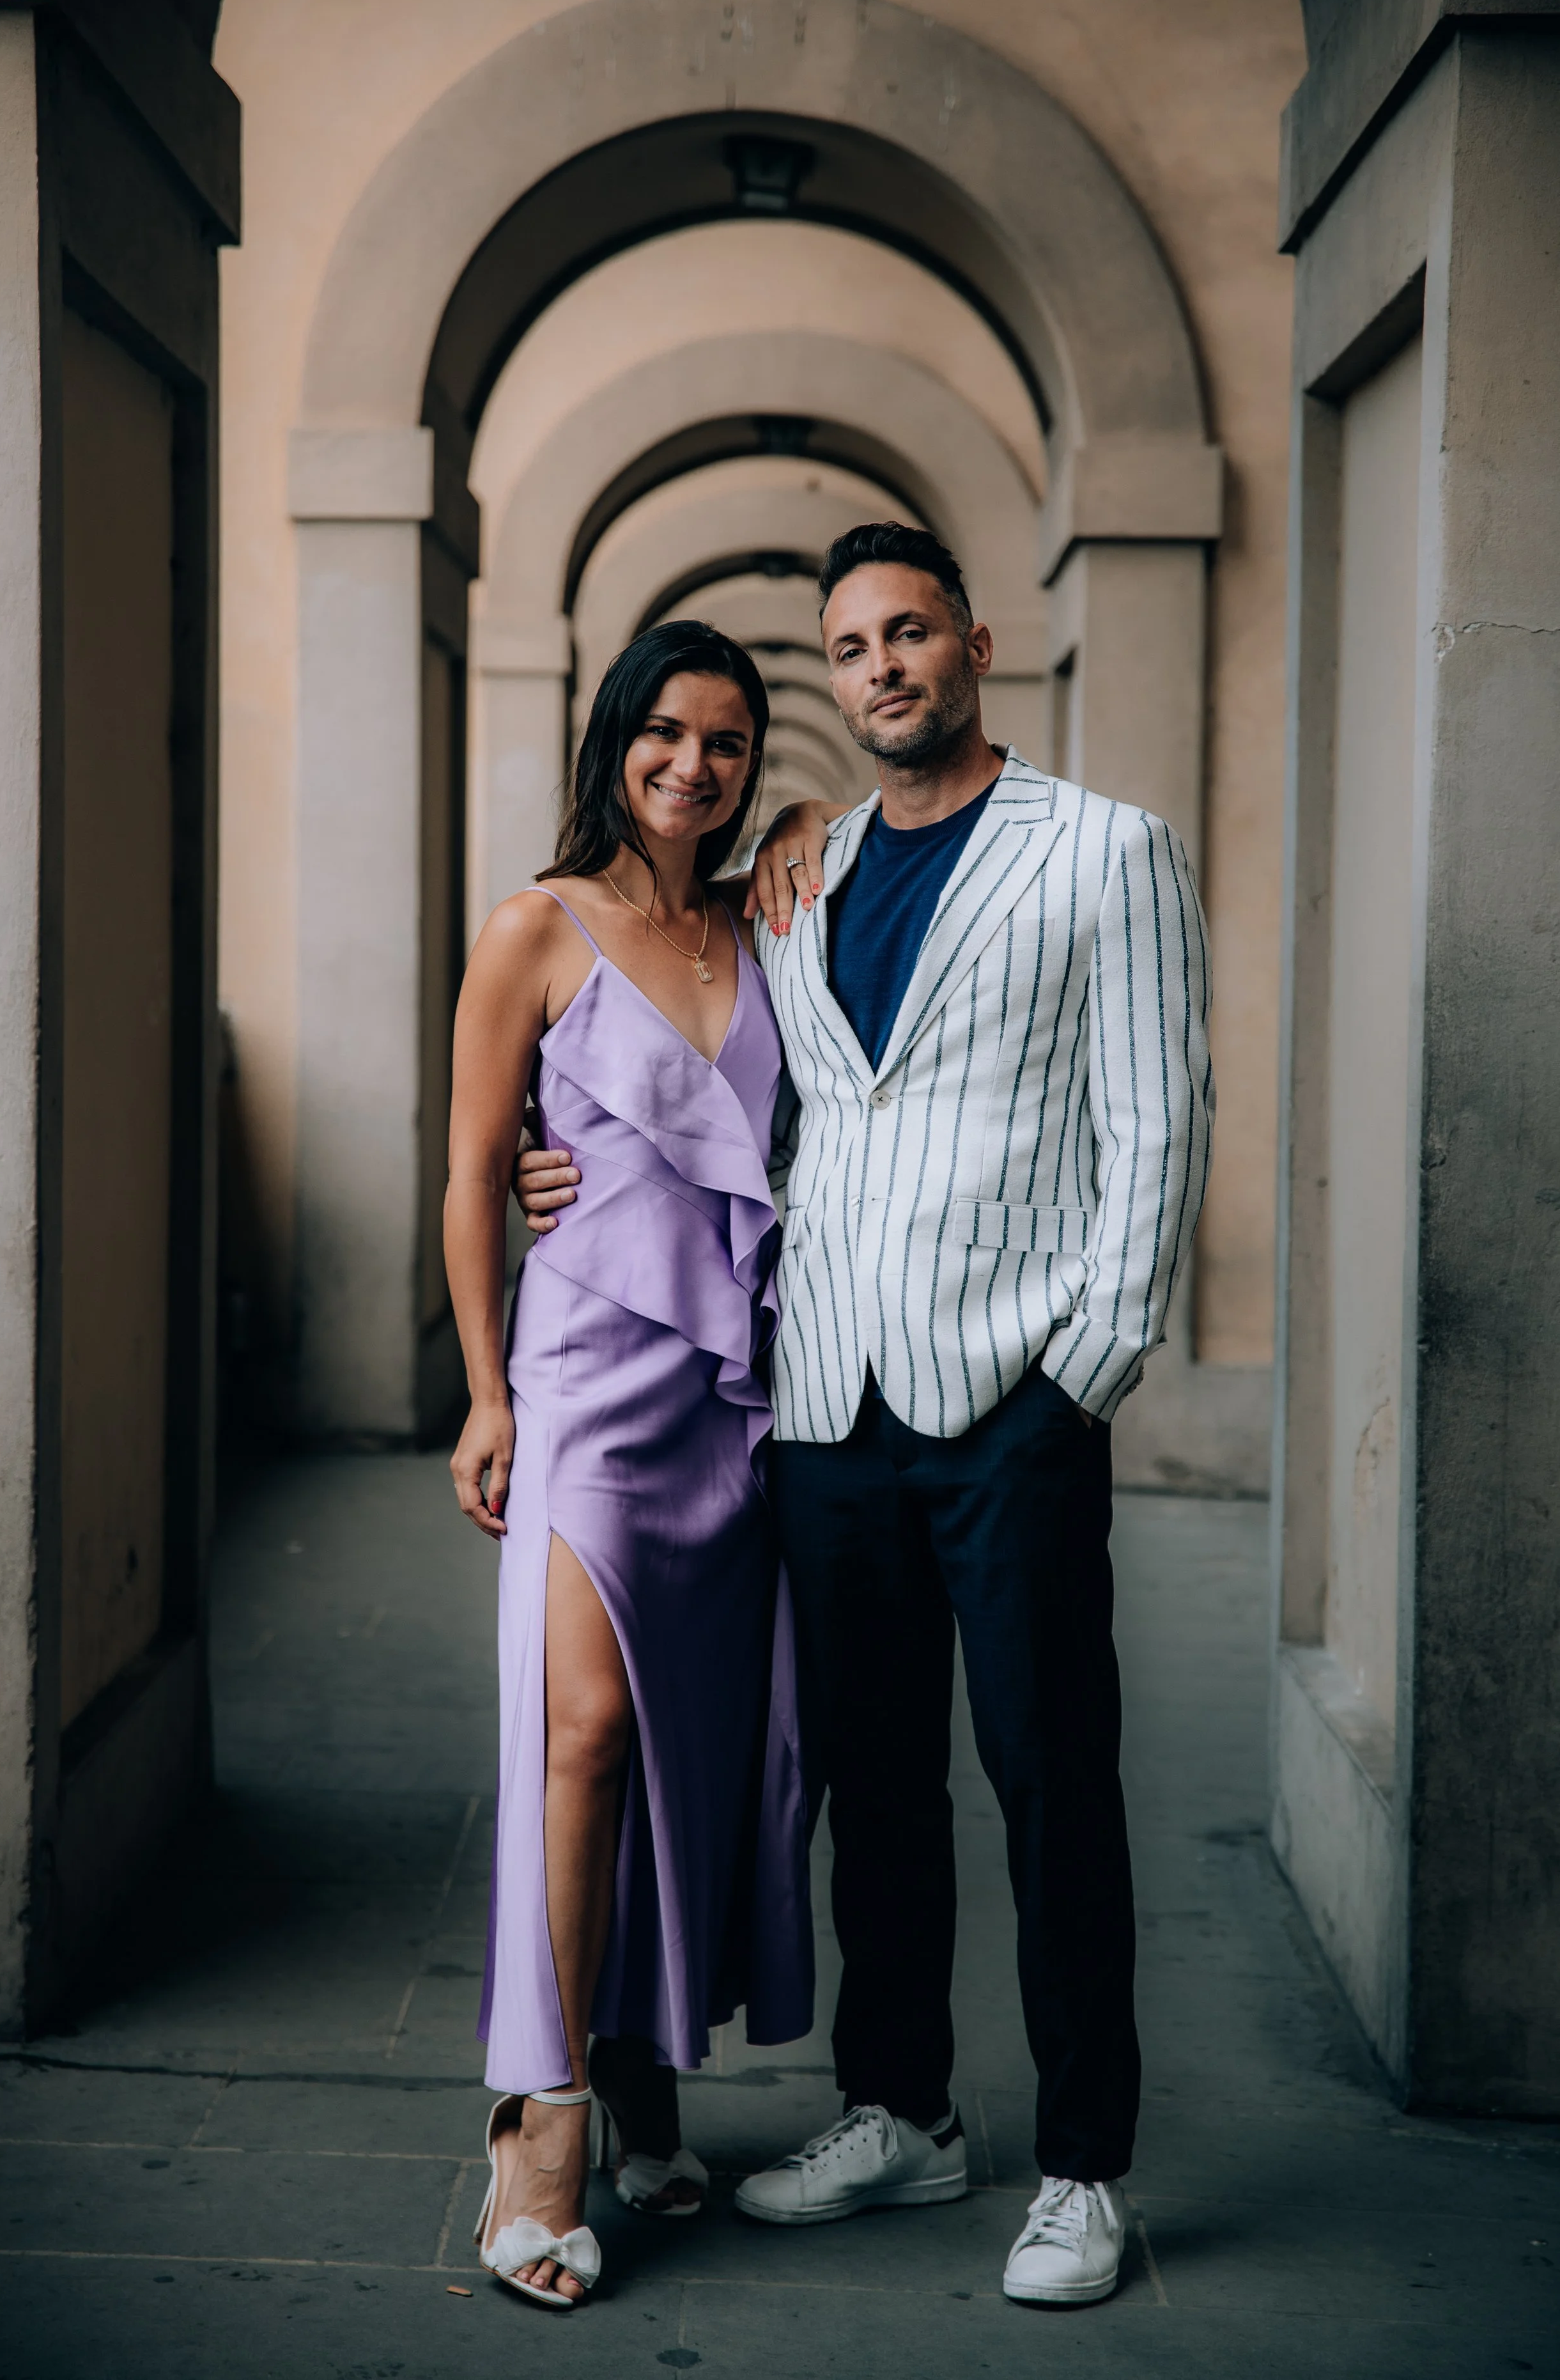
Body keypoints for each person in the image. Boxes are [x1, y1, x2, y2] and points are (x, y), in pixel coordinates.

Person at [516, 522, 1214, 2308]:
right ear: (832, 678)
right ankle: (903, 2107)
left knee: (1051, 1775)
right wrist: (560, 1175)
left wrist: (1085, 1371)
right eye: (850, 644)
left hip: (1008, 1403)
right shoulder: (790, 875)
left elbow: (1154, 1123)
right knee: (871, 1783)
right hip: (823, 1401)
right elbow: (714, 1083)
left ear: (974, 643)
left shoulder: (1102, 850)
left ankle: (1081, 2165)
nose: (883, 663)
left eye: (910, 631)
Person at [445, 621, 813, 2309]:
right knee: (581, 1727)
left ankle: (653, 2059)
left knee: (696, 1753)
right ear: (613, 742)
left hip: (731, 1395)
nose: (693, 764)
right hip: (581, 1381)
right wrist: (482, 1392)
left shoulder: (759, 920)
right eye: (664, 732)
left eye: (728, 741)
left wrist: (813, 827)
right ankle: (546, 2118)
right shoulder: (531, 923)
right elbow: (469, 1177)